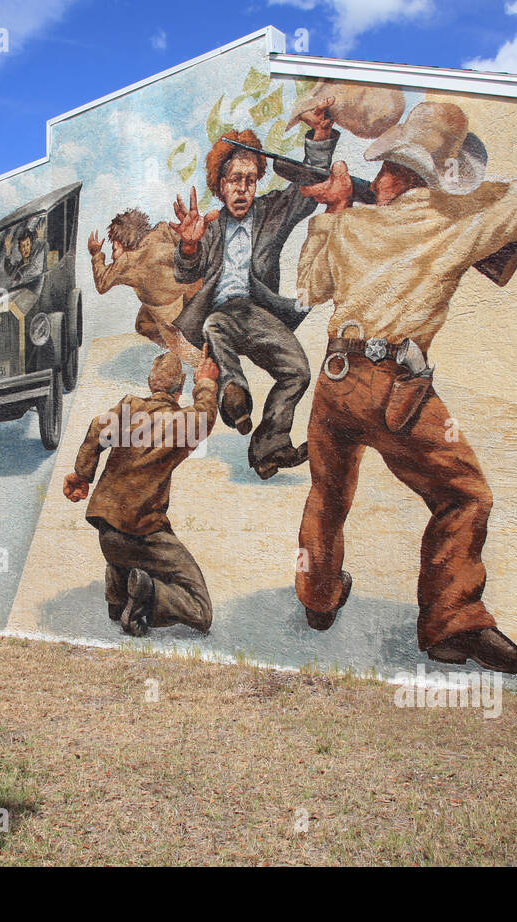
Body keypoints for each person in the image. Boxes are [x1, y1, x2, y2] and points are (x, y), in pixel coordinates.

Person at [293, 100, 517, 676]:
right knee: (464, 496)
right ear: (445, 173)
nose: (382, 178)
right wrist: (503, 194)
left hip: (335, 382)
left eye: (386, 168)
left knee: (327, 494)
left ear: (390, 171)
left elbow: (311, 289)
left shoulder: (350, 223)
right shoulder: (463, 216)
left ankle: (318, 600)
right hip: (397, 388)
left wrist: (334, 212)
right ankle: (452, 624)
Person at [170, 97, 336, 480]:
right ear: (220, 185)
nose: (242, 190)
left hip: (260, 314)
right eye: (233, 181)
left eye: (249, 180)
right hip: (221, 313)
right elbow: (184, 272)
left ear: (258, 181)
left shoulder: (273, 211)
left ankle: (268, 447)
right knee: (215, 325)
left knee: (298, 371)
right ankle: (234, 396)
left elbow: (310, 184)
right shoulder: (209, 225)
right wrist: (190, 244)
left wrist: (321, 135)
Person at [63, 348, 219, 636]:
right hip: (141, 534)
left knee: (133, 552)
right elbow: (206, 416)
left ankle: (118, 591)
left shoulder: (130, 408)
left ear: (150, 381)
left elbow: (97, 428)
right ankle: (146, 596)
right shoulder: (180, 423)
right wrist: (206, 382)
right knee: (201, 610)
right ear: (181, 384)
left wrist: (81, 474)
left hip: (107, 535)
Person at [88, 209, 202, 362]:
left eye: (114, 249)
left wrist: (96, 254)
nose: (113, 255)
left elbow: (102, 283)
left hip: (169, 312)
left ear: (118, 244)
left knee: (188, 354)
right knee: (143, 323)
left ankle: (181, 358)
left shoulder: (128, 261)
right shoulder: (162, 230)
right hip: (192, 294)